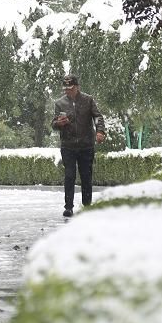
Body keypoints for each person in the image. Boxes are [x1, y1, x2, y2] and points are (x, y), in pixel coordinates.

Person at [51, 74, 106, 217]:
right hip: (68, 145)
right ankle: (68, 207)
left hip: (86, 145)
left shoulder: (88, 100)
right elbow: (53, 124)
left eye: (70, 88)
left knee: (86, 176)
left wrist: (100, 131)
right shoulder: (59, 103)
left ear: (77, 87)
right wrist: (59, 123)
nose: (67, 91)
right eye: (65, 88)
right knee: (69, 175)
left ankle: (87, 206)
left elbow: (98, 116)